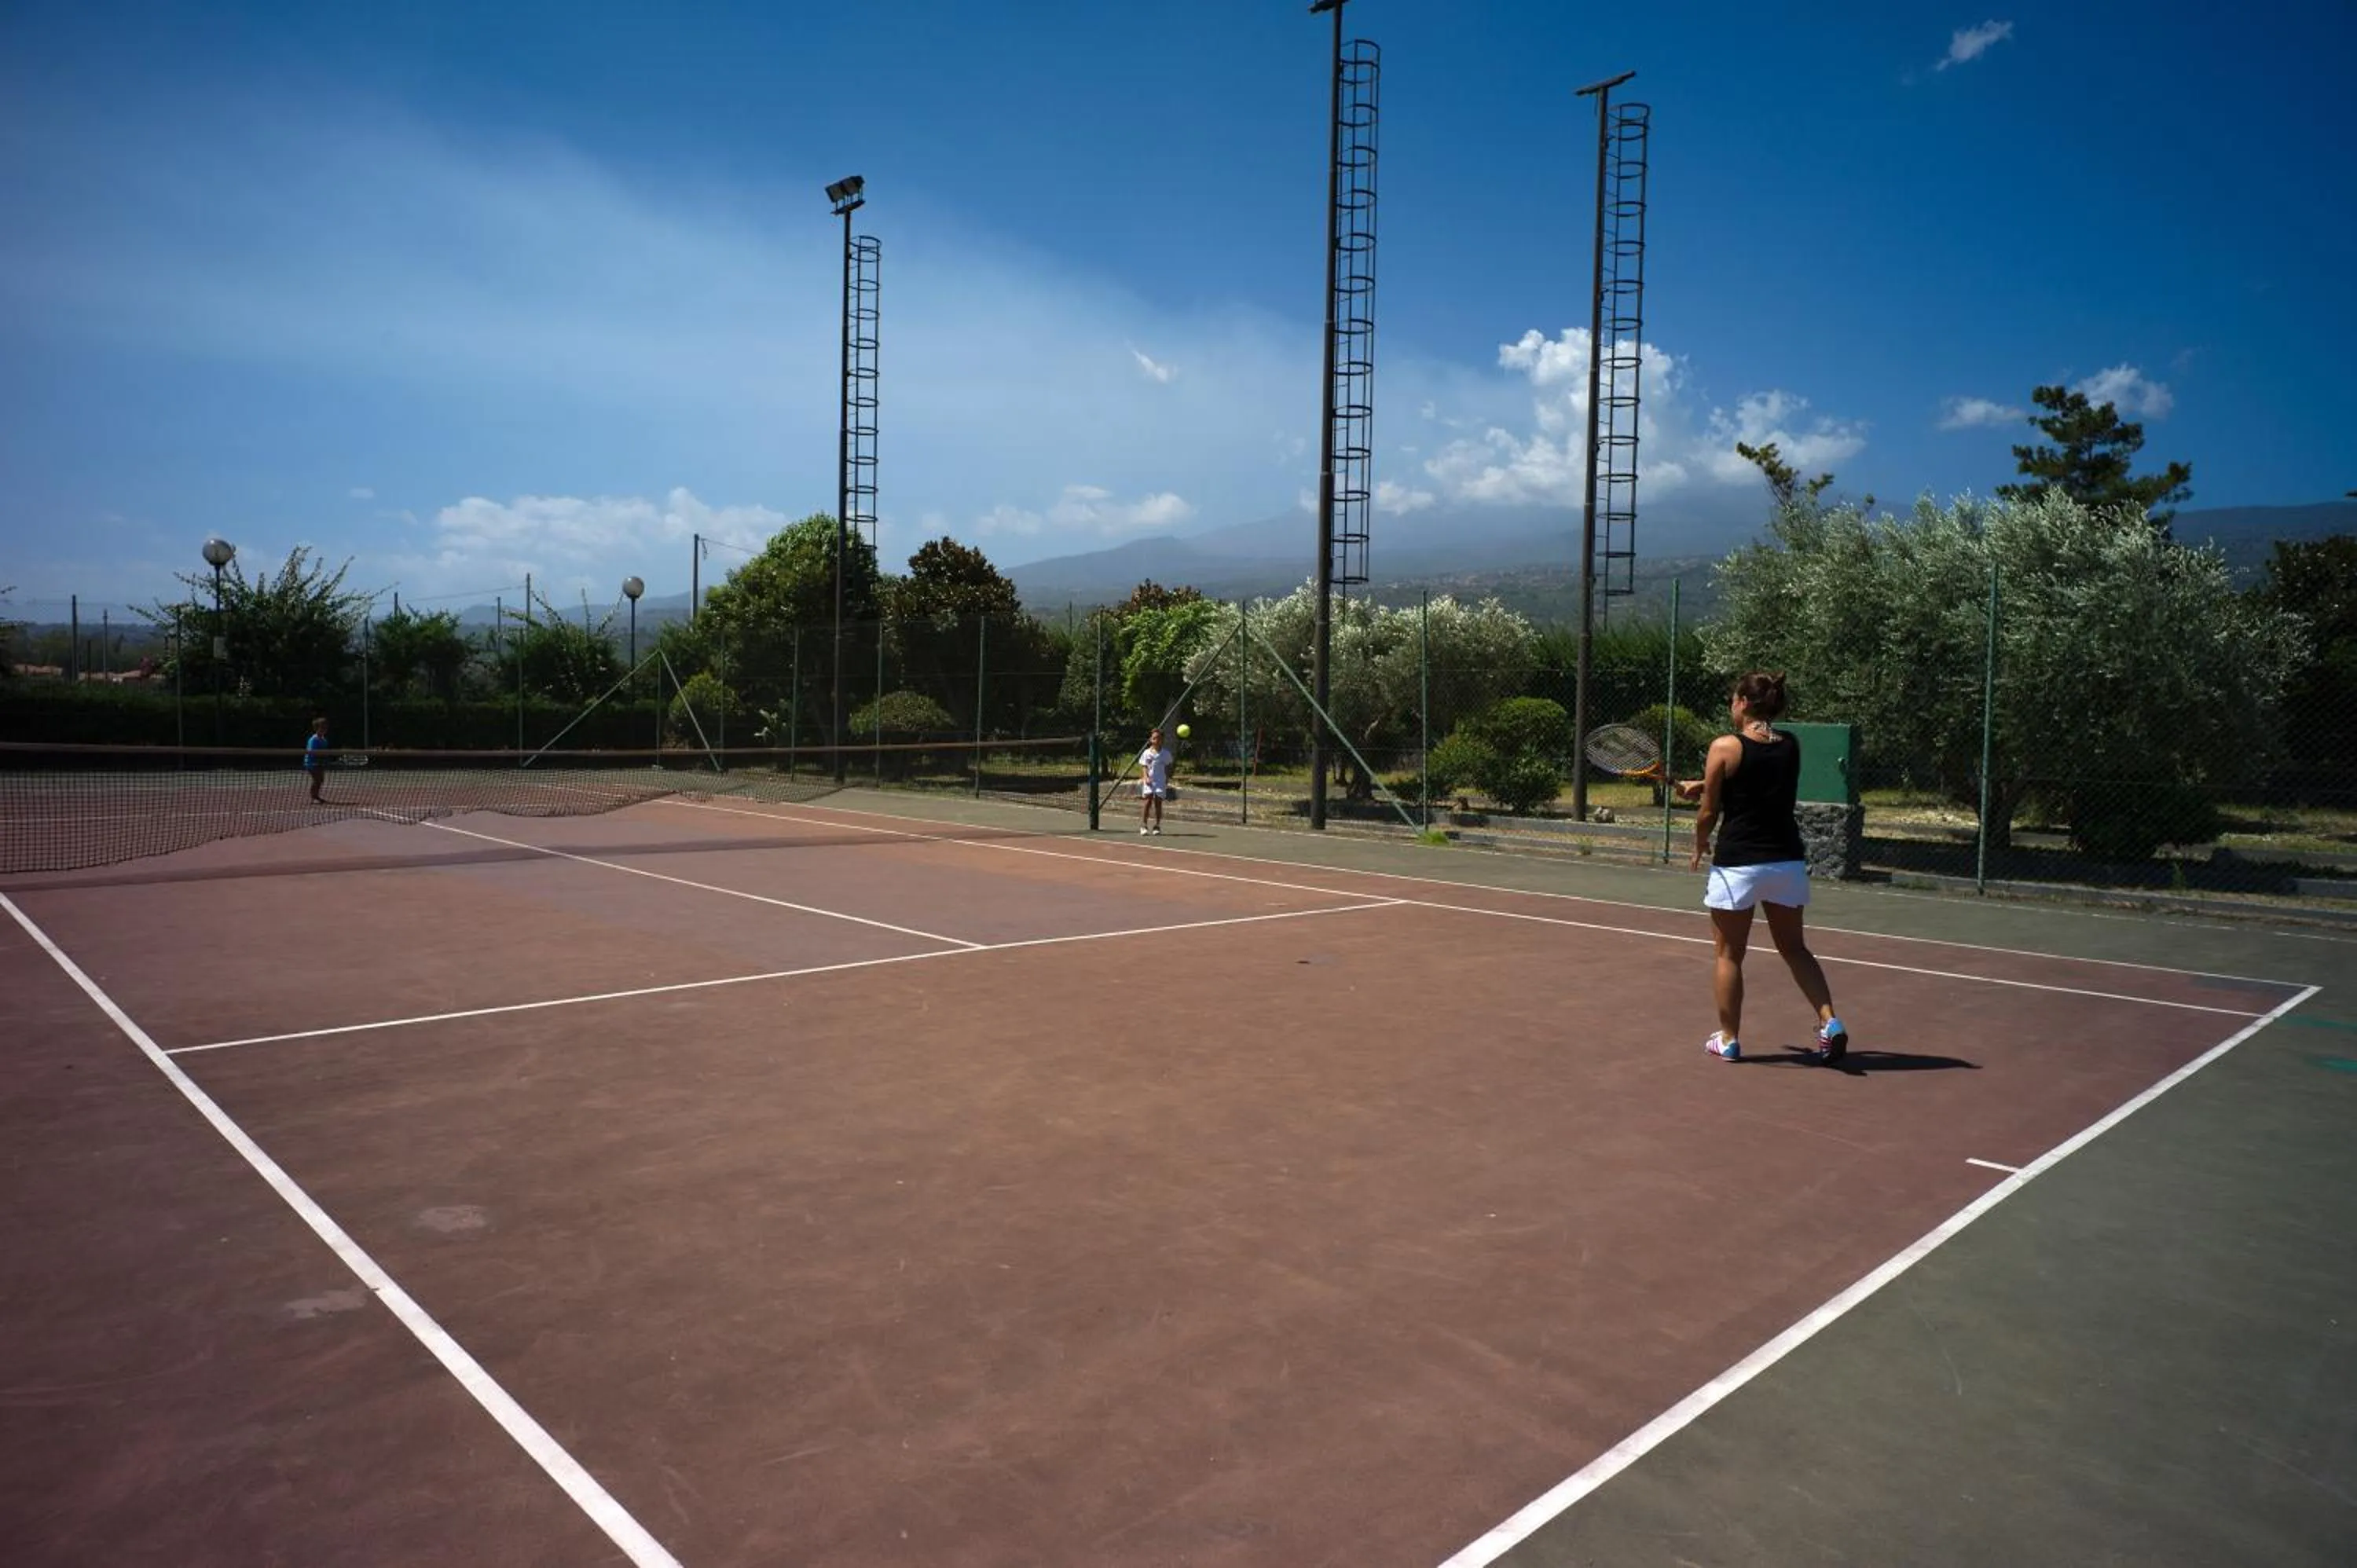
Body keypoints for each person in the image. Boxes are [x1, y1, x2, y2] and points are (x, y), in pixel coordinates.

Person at [1673, 672, 1848, 1064]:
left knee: (1729, 955)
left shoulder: (1723, 746)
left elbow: (1710, 811)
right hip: (1786, 861)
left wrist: (1701, 841)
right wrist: (1702, 783)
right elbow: (1758, 778)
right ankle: (1830, 1022)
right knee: (1796, 949)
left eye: (1733, 699)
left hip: (1738, 866)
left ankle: (1729, 1039)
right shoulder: (1791, 745)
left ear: (1742, 703)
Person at [1137, 727, 1172, 835]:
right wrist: (1145, 777)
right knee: (1147, 802)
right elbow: (1144, 766)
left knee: (1158, 803)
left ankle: (1157, 826)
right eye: (1154, 738)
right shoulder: (1146, 753)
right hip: (1149, 781)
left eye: (1158, 738)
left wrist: (1166, 779)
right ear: (1151, 740)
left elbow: (1168, 767)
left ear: (1162, 740)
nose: (1156, 740)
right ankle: (1144, 825)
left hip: (1160, 781)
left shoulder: (1165, 754)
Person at [304, 716, 329, 803]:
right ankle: (313, 797)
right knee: (317, 779)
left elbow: (324, 752)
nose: (324, 729)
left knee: (320, 780)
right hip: (311, 763)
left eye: (325, 727)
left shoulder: (324, 740)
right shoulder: (313, 740)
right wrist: (319, 759)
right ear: (316, 728)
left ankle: (316, 796)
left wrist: (324, 760)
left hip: (319, 763)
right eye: (322, 727)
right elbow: (312, 752)